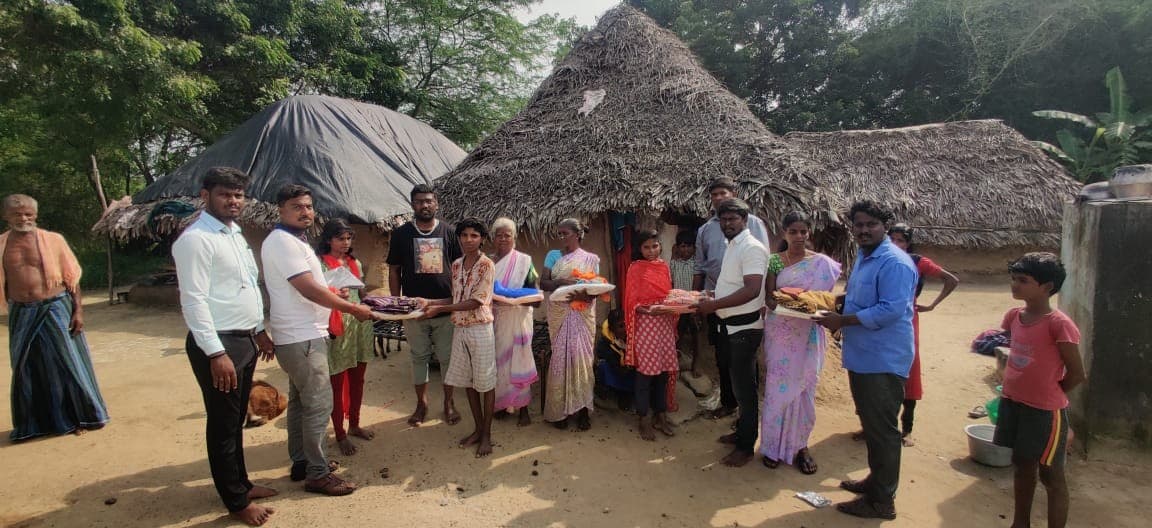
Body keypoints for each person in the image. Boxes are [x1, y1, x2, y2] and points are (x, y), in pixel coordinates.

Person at [170, 170, 274, 526]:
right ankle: (235, 502)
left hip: (243, 338)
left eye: (239, 195)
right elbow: (194, 301)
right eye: (225, 195)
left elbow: (246, 286)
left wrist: (258, 330)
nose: (233, 201)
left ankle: (242, 483)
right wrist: (216, 353)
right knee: (223, 423)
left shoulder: (234, 234)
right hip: (218, 342)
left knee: (237, 420)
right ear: (205, 195)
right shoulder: (196, 240)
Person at [261, 184, 371, 496]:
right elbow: (307, 288)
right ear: (281, 209)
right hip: (303, 337)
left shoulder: (294, 241)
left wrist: (333, 294)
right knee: (319, 405)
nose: (305, 212)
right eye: (297, 206)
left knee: (299, 403)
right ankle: (318, 475)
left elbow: (311, 287)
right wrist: (351, 307)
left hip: (301, 333)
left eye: (309, 206)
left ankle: (302, 462)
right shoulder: (283, 242)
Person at [815, 200, 917, 520]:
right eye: (858, 225)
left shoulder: (894, 262)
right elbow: (861, 298)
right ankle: (876, 481)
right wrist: (833, 303)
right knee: (872, 426)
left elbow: (890, 309)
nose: (863, 230)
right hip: (864, 354)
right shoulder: (864, 255)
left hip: (882, 358)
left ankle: (882, 502)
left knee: (883, 430)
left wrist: (841, 321)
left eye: (870, 224)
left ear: (884, 226)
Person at [4, 194, 110, 444]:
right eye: (17, 214)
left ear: (36, 215)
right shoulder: (2, 246)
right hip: (21, 311)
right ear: (6, 216)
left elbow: (71, 277)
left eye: (29, 213)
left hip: (55, 306)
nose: (24, 218)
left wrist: (78, 311)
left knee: (67, 363)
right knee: (25, 367)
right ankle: (35, 424)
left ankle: (80, 418)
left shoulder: (53, 241)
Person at [994, 252, 1084, 528]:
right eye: (1013, 278)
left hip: (1044, 411)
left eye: (1023, 280)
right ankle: (1020, 523)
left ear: (1046, 287)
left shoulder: (1058, 324)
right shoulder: (1014, 316)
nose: (1014, 285)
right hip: (1014, 403)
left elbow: (1077, 374)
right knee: (1022, 465)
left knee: (1051, 476)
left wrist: (1049, 395)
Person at [759, 211, 842, 474]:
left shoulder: (822, 264)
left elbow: (824, 298)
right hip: (781, 333)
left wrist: (806, 306)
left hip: (808, 333)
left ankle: (800, 447)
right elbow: (770, 298)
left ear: (809, 233)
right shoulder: (774, 261)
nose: (798, 236)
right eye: (793, 231)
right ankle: (771, 447)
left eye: (803, 232)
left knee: (805, 390)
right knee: (777, 389)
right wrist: (788, 304)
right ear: (784, 233)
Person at [693, 199, 768, 467]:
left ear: (744, 220)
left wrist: (714, 305)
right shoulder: (733, 246)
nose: (727, 224)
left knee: (745, 388)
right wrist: (714, 294)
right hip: (731, 325)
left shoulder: (751, 248)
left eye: (732, 219)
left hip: (744, 328)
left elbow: (751, 290)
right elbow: (735, 284)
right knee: (737, 385)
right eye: (723, 219)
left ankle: (746, 446)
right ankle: (741, 433)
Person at [418, 218, 498, 457]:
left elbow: (477, 301)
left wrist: (439, 310)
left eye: (474, 235)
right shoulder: (455, 265)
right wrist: (430, 302)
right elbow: (455, 298)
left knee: (486, 383)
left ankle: (487, 435)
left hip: (480, 329)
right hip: (460, 328)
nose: (468, 240)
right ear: (459, 238)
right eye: (464, 235)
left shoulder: (487, 265)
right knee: (469, 382)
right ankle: (477, 429)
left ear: (482, 238)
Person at [385, 184, 462, 427]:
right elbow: (395, 270)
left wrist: (456, 303)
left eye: (429, 201)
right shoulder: (401, 235)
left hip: (444, 308)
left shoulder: (449, 232)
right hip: (414, 311)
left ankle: (449, 403)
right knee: (419, 358)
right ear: (412, 205)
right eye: (419, 201)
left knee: (448, 359)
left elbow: (459, 269)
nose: (424, 205)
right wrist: (398, 303)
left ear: (436, 204)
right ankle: (422, 404)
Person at [887, 223, 959, 445]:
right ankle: (876, 426)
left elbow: (951, 279)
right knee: (881, 374)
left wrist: (933, 305)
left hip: (907, 321)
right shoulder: (881, 260)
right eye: (892, 239)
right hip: (883, 321)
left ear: (908, 243)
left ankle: (906, 429)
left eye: (901, 240)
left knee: (909, 372)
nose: (896, 244)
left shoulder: (917, 262)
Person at [317, 219, 376, 456]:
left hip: (359, 325)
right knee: (337, 380)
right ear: (328, 240)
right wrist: (334, 294)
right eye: (340, 238)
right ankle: (339, 433)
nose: (345, 243)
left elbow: (360, 292)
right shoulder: (320, 265)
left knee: (358, 378)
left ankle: (354, 424)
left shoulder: (355, 262)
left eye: (348, 238)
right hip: (337, 324)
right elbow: (317, 295)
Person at [540, 218, 599, 431]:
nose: (562, 237)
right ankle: (560, 412)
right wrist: (561, 283)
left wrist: (585, 295)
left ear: (577, 234)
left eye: (565, 233)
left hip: (581, 314)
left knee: (582, 360)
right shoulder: (553, 256)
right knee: (561, 359)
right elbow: (544, 283)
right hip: (559, 314)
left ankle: (582, 410)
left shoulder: (591, 259)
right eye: (560, 234)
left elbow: (595, 287)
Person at [623, 229, 680, 441]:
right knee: (645, 374)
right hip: (645, 324)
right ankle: (643, 419)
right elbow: (630, 301)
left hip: (665, 324)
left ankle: (660, 414)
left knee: (663, 373)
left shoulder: (664, 266)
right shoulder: (635, 269)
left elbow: (668, 294)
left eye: (655, 246)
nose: (651, 251)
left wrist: (673, 305)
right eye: (646, 247)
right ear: (639, 249)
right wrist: (649, 310)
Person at [488, 217, 539, 426]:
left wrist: (519, 298)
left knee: (521, 360)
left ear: (514, 238)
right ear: (493, 238)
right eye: (498, 235)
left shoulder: (525, 262)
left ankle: (523, 408)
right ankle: (501, 404)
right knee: (499, 363)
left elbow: (533, 291)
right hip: (497, 320)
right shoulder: (488, 263)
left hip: (519, 319)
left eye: (507, 235)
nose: (502, 239)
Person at [669, 229, 700, 376]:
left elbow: (697, 285)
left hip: (693, 305)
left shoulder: (696, 264)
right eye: (682, 246)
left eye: (689, 246)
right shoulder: (674, 263)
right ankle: (675, 361)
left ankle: (696, 365)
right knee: (677, 333)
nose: (685, 249)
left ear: (694, 248)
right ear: (677, 248)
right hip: (678, 306)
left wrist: (695, 303)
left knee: (696, 334)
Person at [594, 309, 634, 410]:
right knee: (602, 366)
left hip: (630, 371)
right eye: (620, 326)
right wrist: (616, 364)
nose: (625, 329)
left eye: (626, 324)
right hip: (616, 369)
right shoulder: (606, 341)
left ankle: (625, 393)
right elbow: (601, 353)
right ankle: (606, 387)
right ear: (612, 329)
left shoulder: (635, 337)